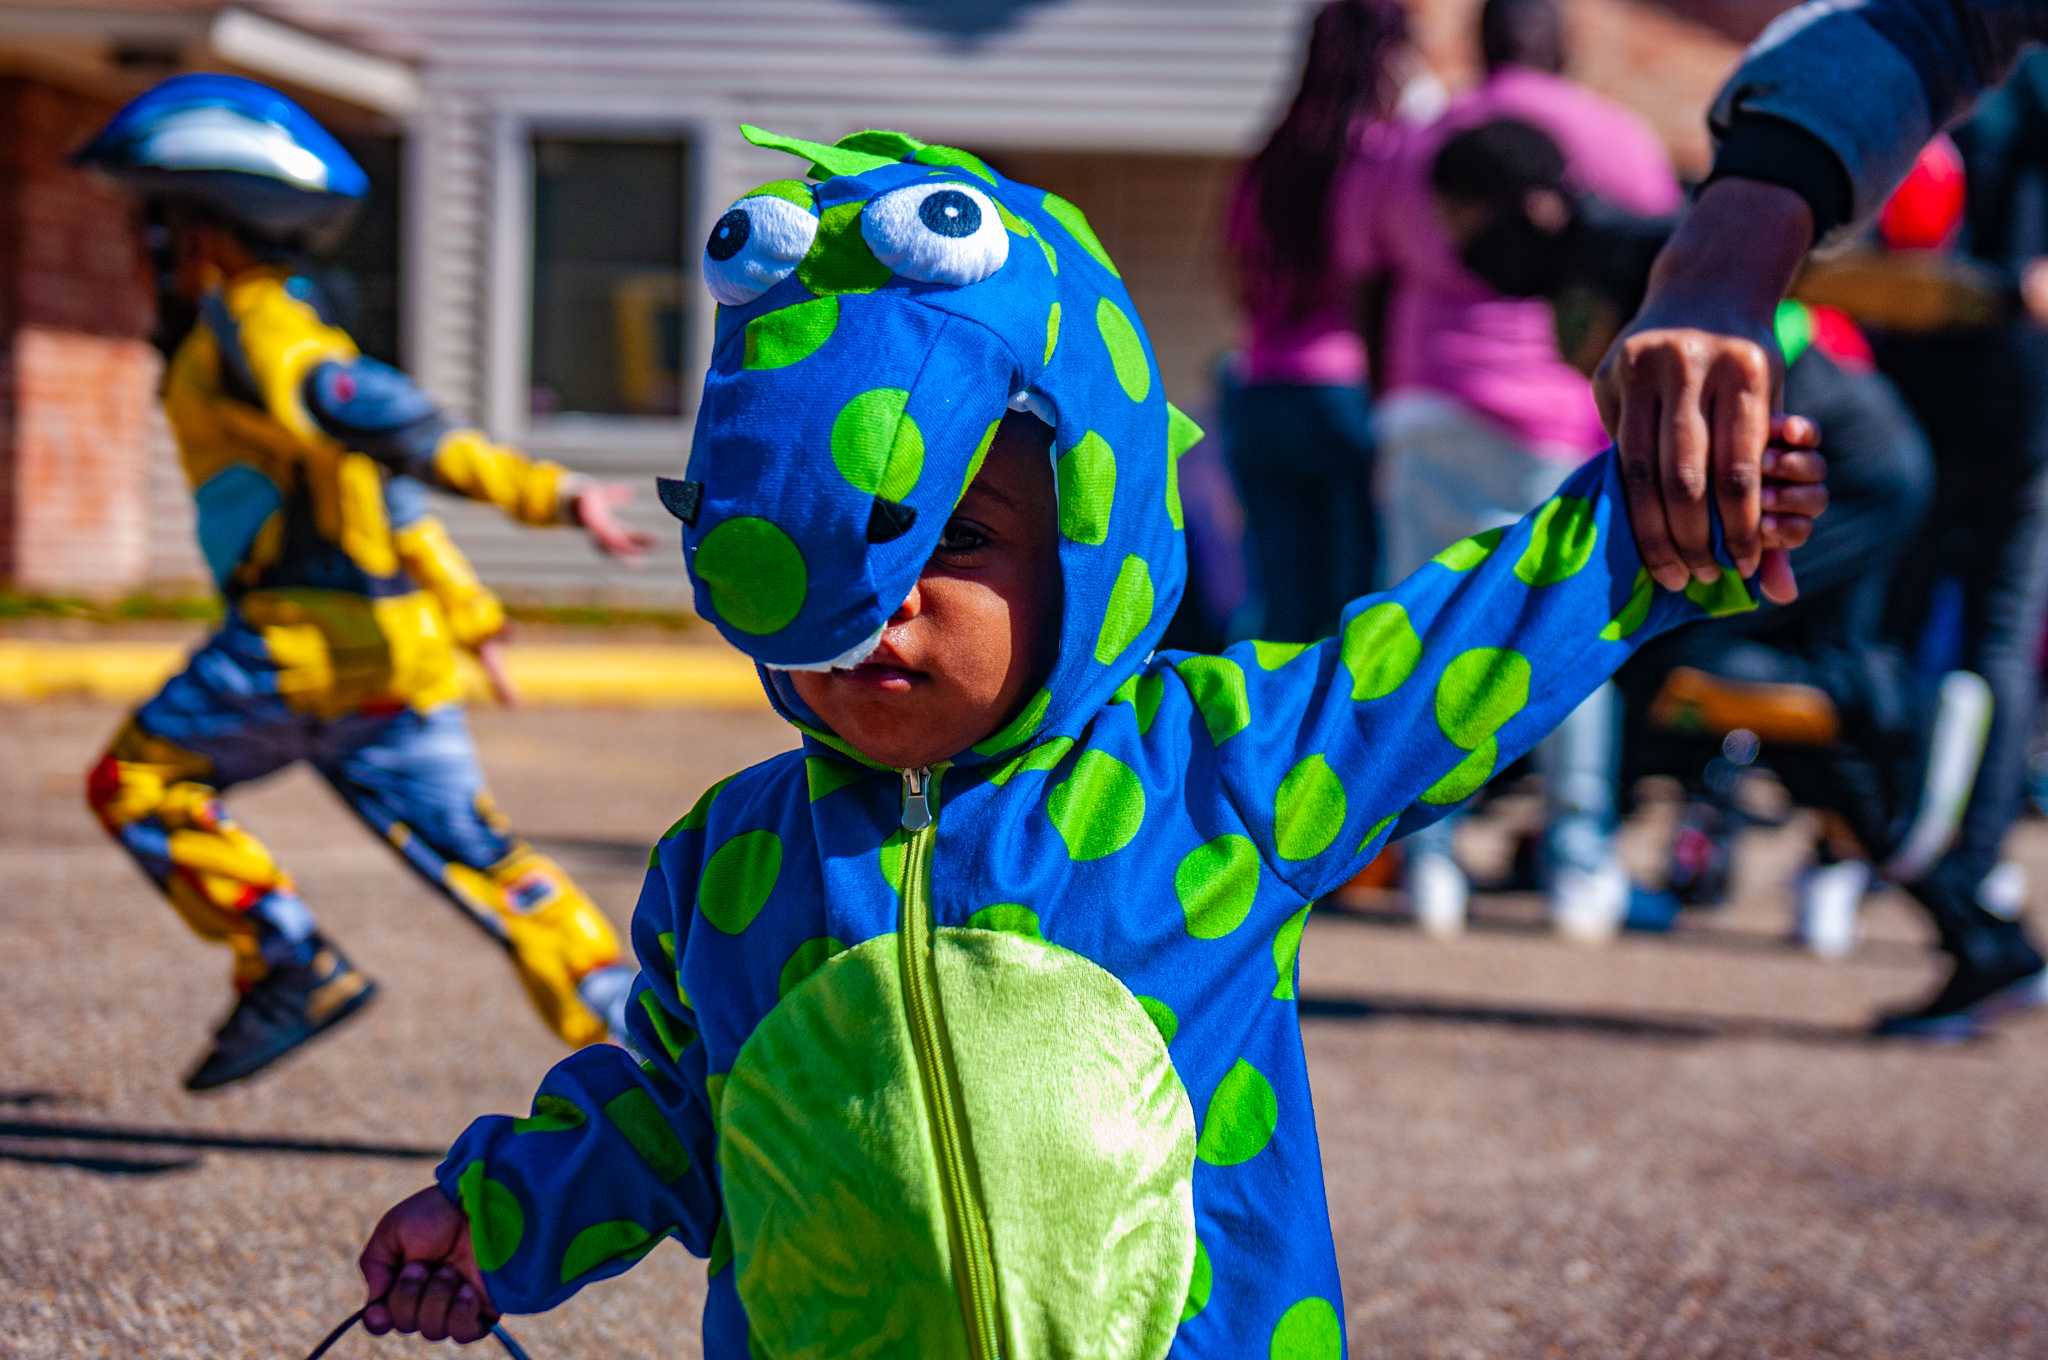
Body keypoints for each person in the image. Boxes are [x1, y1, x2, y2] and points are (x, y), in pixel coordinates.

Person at [352, 123, 1823, 1353]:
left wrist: (1654, 524)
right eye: (855, 539)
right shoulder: (730, 862)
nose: (894, 602)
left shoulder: (1210, 778)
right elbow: (674, 1113)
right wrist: (500, 1218)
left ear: (1088, 532)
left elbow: (1448, 659)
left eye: (964, 536)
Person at [73, 74, 653, 1091]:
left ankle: (289, 957)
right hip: (393, 652)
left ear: (201, 231)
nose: (142, 248)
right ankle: (643, 1041)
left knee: (136, 784)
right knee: (484, 856)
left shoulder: (256, 329)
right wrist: (469, 612)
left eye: (151, 222)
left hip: (293, 646)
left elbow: (365, 411)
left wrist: (548, 494)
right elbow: (384, 503)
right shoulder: (288, 322)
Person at [1599, 0, 2048, 1037]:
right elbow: (1922, 23)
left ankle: (1963, 890)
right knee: (1897, 657)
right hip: (1925, 397)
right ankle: (1947, 893)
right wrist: (1718, 259)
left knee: (1968, 656)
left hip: (1994, 408)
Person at [1351, 0, 1683, 941]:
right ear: (1561, 47)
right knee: (1574, 636)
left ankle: (1428, 865)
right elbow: (1662, 257)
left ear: (1483, 44)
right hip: (1557, 417)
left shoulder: (1421, 141)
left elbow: (1367, 274)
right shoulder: (1612, 132)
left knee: (1415, 641)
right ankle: (1580, 868)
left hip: (1426, 405)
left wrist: (1389, 400)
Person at [1219, 0, 1436, 643]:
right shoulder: (1380, 156)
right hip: (1346, 402)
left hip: (1260, 395)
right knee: (1355, 620)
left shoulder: (1271, 158)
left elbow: (1241, 274)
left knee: (1280, 621)